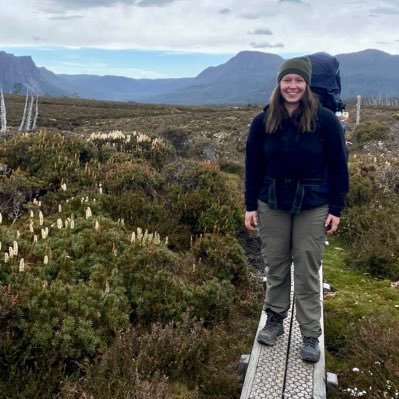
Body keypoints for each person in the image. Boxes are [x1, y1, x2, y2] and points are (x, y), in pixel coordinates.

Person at [244, 56, 349, 362]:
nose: (292, 86)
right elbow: (253, 166)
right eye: (287, 80)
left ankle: (310, 334)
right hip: (272, 202)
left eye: (298, 80)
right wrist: (251, 205)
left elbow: (339, 167)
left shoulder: (326, 120)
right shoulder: (263, 121)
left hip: (313, 203)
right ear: (279, 84)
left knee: (307, 268)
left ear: (307, 85)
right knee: (275, 264)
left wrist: (337, 207)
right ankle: (275, 319)